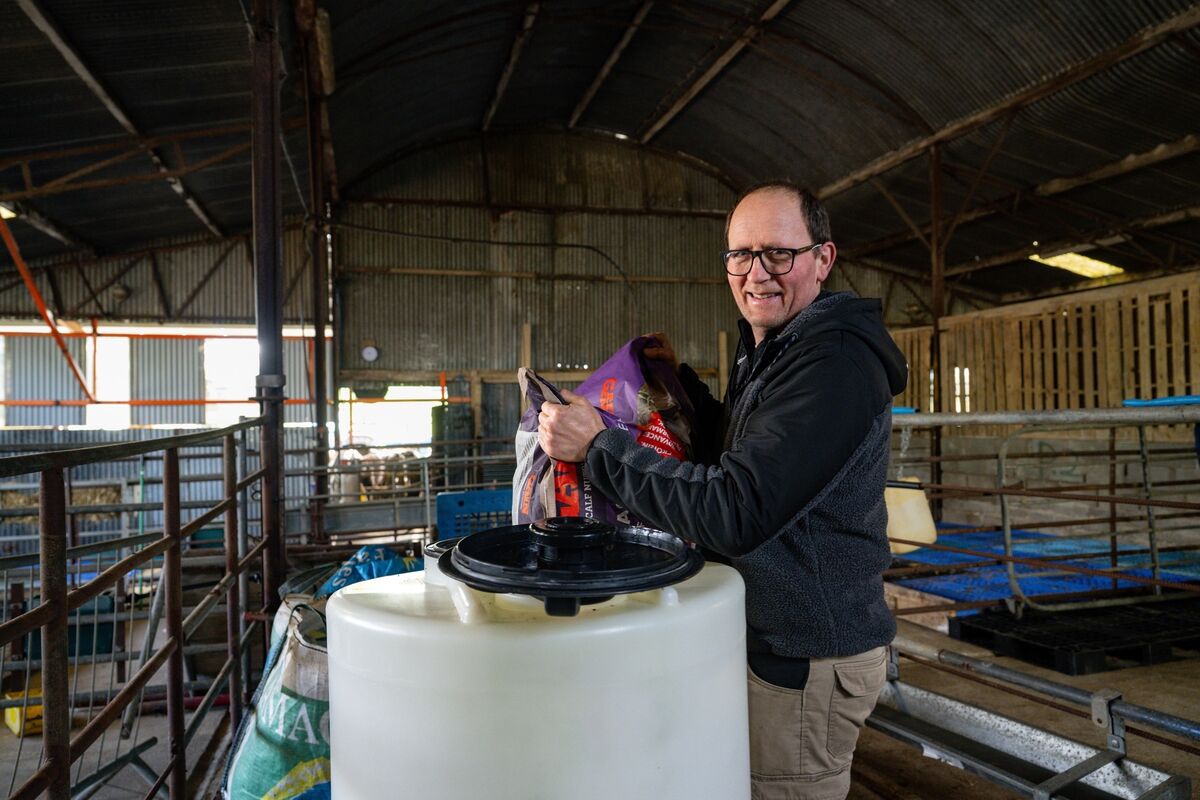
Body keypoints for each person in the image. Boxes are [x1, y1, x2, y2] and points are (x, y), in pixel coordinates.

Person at [538, 181, 908, 800]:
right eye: (741, 254)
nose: (756, 274)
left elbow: (737, 508)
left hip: (803, 660)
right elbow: (741, 451)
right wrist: (675, 382)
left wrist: (598, 447)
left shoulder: (833, 365)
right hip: (772, 644)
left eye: (777, 254)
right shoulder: (777, 347)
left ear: (823, 259)